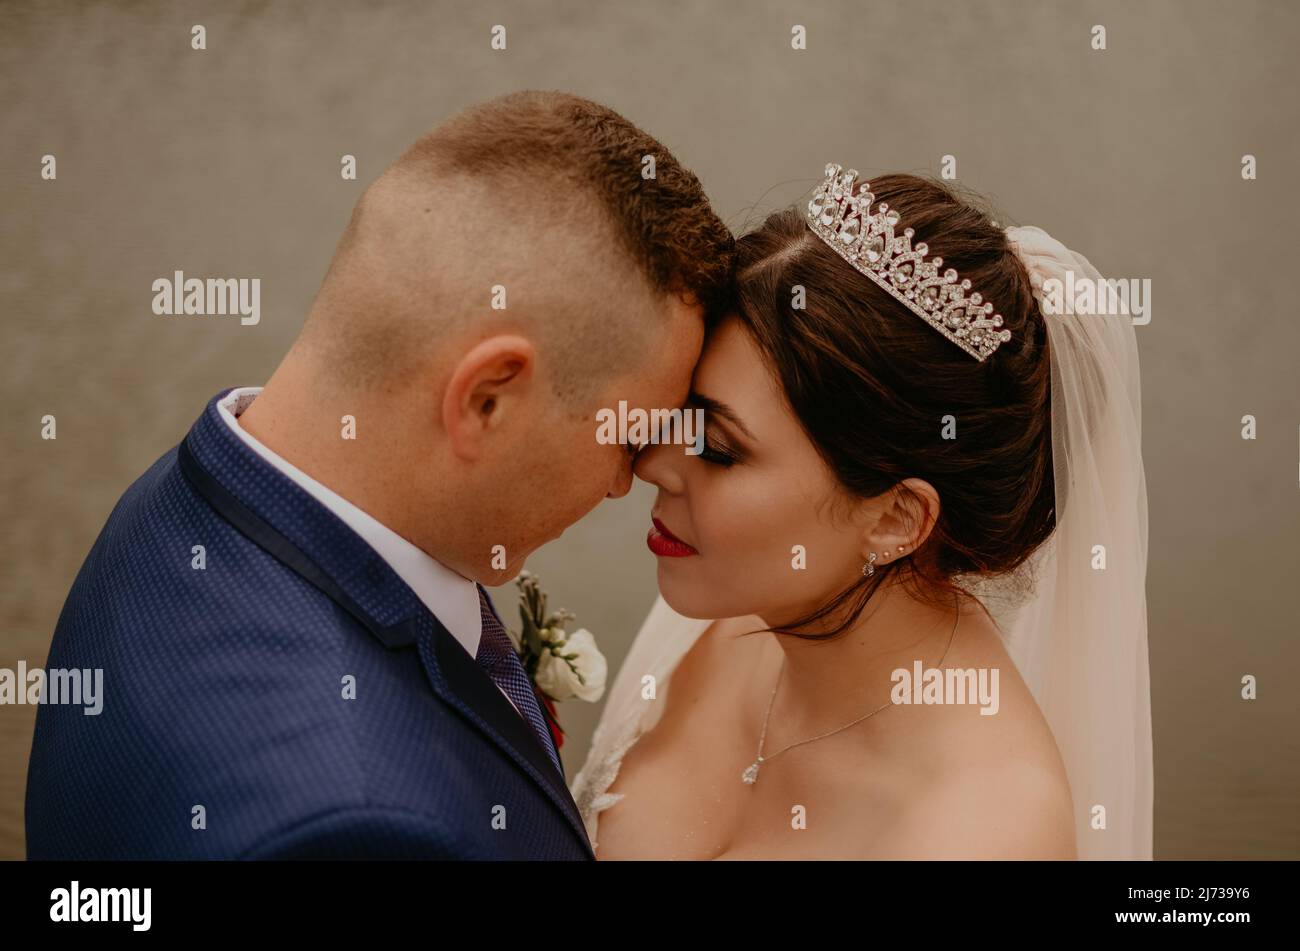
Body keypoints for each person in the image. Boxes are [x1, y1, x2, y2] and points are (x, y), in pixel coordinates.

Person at [24, 91, 734, 859]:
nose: (626, 484)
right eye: (629, 439)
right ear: (487, 398)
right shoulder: (361, 831)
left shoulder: (181, 497)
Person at [573, 165, 1153, 860]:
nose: (652, 464)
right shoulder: (731, 607)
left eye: (721, 450)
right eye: (681, 416)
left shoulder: (983, 832)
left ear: (896, 518)